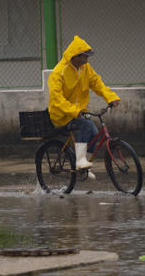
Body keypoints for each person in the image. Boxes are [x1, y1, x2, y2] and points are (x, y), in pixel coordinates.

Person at [48, 35, 121, 177]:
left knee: (94, 133)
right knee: (86, 126)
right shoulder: (59, 72)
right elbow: (57, 99)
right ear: (75, 57)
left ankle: (83, 167)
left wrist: (111, 98)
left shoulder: (85, 68)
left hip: (77, 113)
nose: (87, 60)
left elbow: (97, 83)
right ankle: (80, 160)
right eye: (85, 57)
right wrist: (75, 110)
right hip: (61, 115)